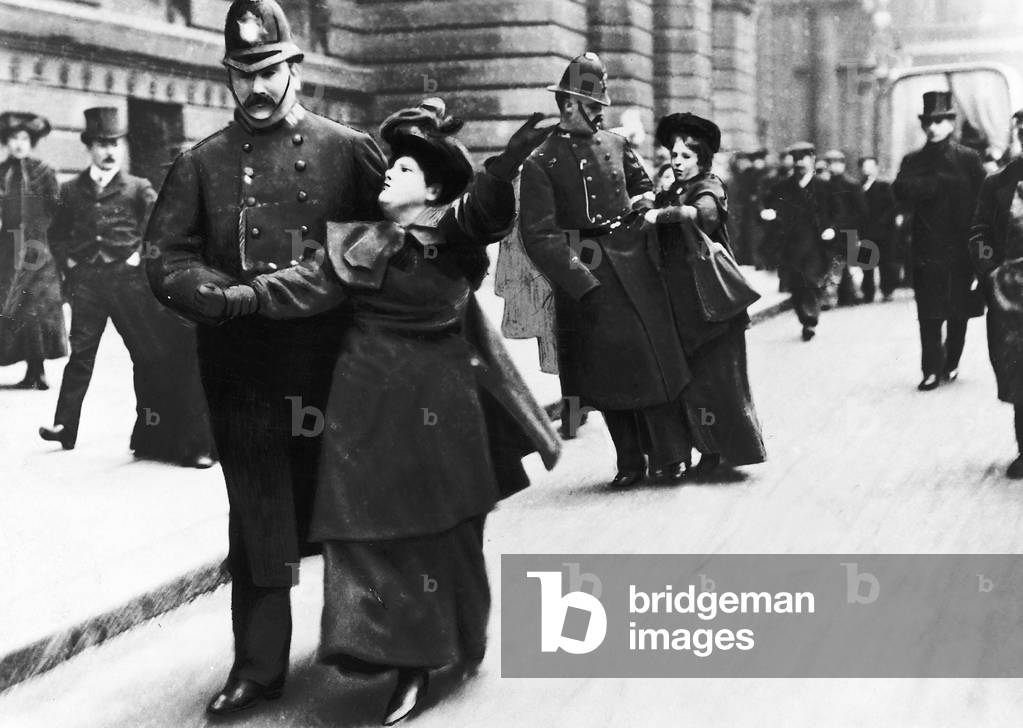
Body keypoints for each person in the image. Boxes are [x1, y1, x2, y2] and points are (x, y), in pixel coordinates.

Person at [195, 100, 560, 726]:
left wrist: (511, 158)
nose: (390, 174)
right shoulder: (361, 241)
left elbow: (489, 207)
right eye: (392, 165)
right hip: (363, 403)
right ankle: (393, 654)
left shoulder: (457, 233)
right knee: (361, 528)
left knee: (443, 531)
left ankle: (441, 644)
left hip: (441, 401)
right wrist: (238, 295)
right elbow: (303, 285)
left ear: (435, 188)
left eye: (406, 169)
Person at [145, 0, 386, 715]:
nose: (255, 86)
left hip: (335, 365)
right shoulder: (200, 163)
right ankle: (259, 666)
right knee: (260, 522)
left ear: (294, 69)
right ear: (227, 76)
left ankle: (370, 641)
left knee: (352, 511)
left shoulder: (348, 149)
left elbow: (388, 238)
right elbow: (162, 255)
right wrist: (213, 294)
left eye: (268, 70)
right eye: (241, 72)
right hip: (243, 369)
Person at [519, 53, 692, 487]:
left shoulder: (616, 143)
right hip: (587, 273)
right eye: (593, 107)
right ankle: (630, 462)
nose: (600, 115)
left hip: (635, 261)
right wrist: (580, 280)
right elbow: (539, 235)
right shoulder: (542, 160)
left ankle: (671, 456)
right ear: (570, 104)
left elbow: (642, 185)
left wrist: (646, 210)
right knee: (607, 372)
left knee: (653, 360)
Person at [39, 107, 213, 467]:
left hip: (128, 284)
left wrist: (138, 257)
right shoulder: (71, 190)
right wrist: (69, 262)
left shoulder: (137, 188)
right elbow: (55, 234)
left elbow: (158, 228)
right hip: (88, 284)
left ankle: (152, 429)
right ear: (89, 147)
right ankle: (64, 425)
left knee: (147, 355)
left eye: (115, 144)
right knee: (81, 355)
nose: (109, 151)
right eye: (102, 144)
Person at [647, 112, 766, 478]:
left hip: (710, 305)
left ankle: (718, 451)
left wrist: (663, 215)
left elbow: (705, 214)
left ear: (701, 158)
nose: (677, 162)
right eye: (673, 155)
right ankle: (701, 450)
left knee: (716, 384)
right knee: (693, 385)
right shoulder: (673, 188)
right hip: (683, 304)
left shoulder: (709, 186)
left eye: (685, 156)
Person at [894, 91, 986, 391]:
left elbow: (983, 202)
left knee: (958, 312)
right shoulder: (914, 160)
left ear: (950, 123)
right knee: (929, 313)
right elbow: (901, 192)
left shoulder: (968, 159)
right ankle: (931, 369)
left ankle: (952, 361)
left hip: (961, 250)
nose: (932, 127)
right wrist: (931, 185)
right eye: (928, 122)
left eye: (939, 121)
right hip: (927, 249)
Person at [969, 109, 1023, 478]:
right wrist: (990, 272)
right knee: (1018, 372)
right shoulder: (998, 183)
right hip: (1010, 296)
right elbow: (979, 234)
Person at [0, 111, 66, 388]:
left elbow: (57, 210)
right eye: (14, 138)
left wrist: (45, 237)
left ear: (31, 141)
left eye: (24, 138)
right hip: (7, 250)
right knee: (12, 306)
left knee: (37, 309)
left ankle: (38, 371)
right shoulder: (2, 172)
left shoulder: (44, 172)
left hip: (39, 251)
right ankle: (27, 371)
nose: (18, 144)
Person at [762, 142, 838, 341]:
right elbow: (767, 208)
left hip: (816, 243)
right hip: (790, 243)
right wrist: (768, 213)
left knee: (811, 279)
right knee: (795, 282)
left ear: (812, 160)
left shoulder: (823, 187)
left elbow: (836, 212)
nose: (799, 163)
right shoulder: (782, 187)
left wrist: (831, 228)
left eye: (804, 158)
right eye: (796, 159)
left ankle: (810, 318)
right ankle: (804, 317)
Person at [823, 149, 868, 307]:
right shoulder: (826, 185)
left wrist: (859, 233)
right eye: (829, 163)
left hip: (850, 232)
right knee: (835, 266)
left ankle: (855, 294)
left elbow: (861, 212)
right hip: (834, 234)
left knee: (852, 266)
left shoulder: (852, 184)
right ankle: (833, 298)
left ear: (842, 164)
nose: (832, 167)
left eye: (835, 163)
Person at [859, 155, 900, 302]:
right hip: (864, 231)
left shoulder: (884, 186)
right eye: (864, 166)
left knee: (885, 262)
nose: (867, 169)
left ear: (876, 168)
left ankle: (887, 290)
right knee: (866, 263)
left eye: (870, 166)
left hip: (883, 231)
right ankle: (868, 292)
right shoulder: (858, 186)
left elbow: (892, 208)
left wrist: (881, 223)